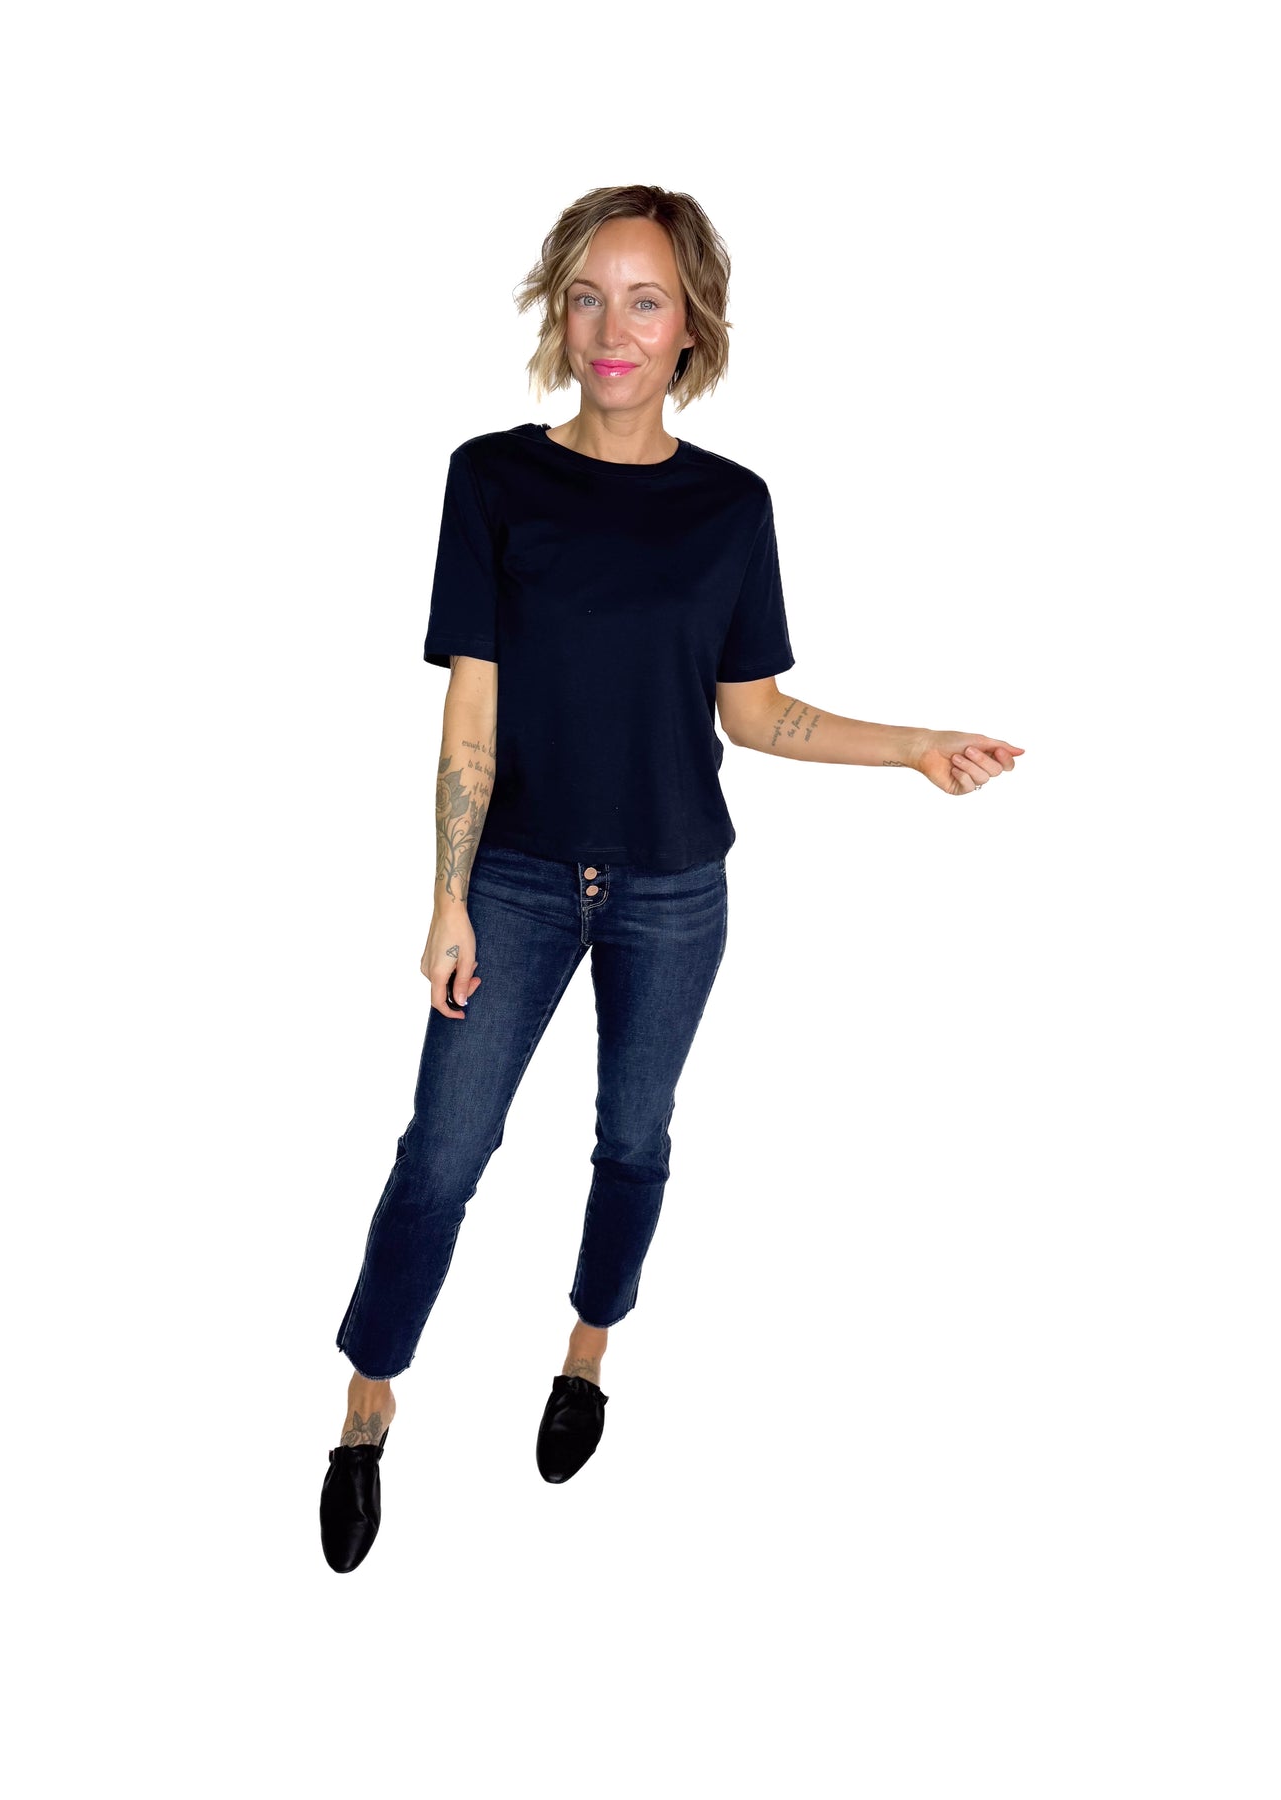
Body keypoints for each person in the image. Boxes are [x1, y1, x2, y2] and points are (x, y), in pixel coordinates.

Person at [320, 184, 1025, 1572]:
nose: (612, 329)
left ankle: (586, 1353)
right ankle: (366, 1402)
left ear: (691, 323)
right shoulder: (492, 479)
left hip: (673, 890)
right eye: (587, 296)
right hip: (514, 882)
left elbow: (754, 716)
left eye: (644, 301)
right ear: (557, 311)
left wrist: (912, 748)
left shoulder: (730, 507)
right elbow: (472, 708)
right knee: (442, 1153)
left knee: (633, 1141)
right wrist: (448, 896)